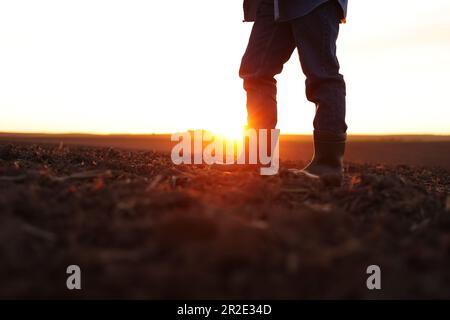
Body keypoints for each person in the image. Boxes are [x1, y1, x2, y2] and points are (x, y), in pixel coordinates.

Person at [240, 0, 348, 184]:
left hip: (314, 3)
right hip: (273, 4)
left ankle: (328, 164)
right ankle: (257, 158)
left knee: (321, 72)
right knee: (255, 72)